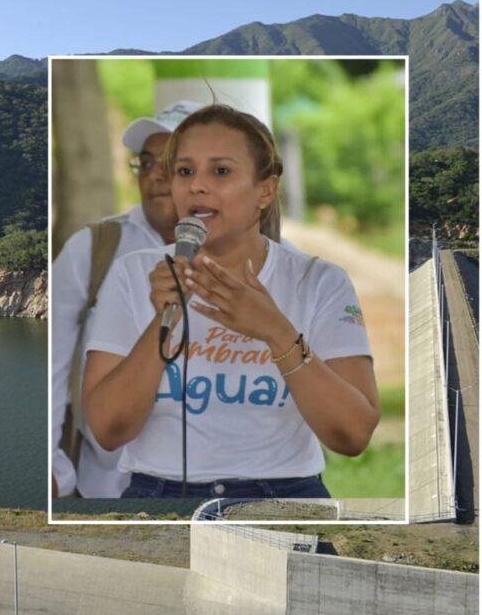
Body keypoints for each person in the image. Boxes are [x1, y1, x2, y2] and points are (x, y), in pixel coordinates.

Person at [82, 104, 379, 499]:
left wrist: (275, 330)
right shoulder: (132, 275)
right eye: (185, 172)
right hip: (158, 494)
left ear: (265, 190)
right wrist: (161, 323)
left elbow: (353, 435)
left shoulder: (319, 281)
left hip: (285, 494)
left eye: (220, 171)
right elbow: (107, 431)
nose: (197, 186)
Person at [52, 101, 203, 498]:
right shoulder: (94, 247)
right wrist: (51, 466)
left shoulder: (256, 257)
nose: (155, 176)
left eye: (172, 163)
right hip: (105, 486)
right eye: (146, 162)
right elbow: (51, 362)